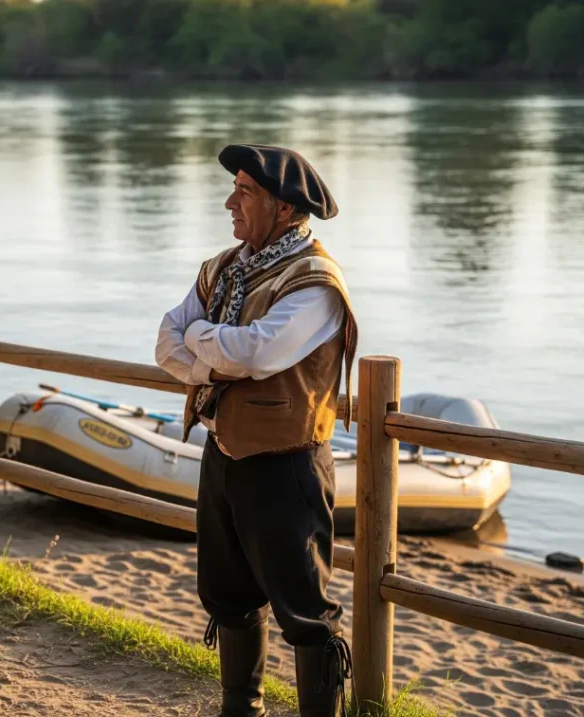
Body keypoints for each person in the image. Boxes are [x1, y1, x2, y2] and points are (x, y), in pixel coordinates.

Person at [154, 144, 358, 717]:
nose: (229, 203)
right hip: (222, 453)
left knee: (306, 611)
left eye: (245, 192)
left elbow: (258, 353)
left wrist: (204, 344)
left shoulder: (317, 281)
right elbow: (167, 341)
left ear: (286, 209)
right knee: (229, 595)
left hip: (287, 463)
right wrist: (211, 349)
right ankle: (241, 710)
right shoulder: (224, 266)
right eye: (235, 189)